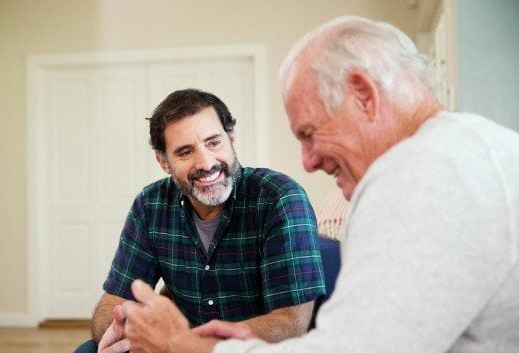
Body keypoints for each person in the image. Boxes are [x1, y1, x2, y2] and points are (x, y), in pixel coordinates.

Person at [119, 15, 519, 353]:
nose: (308, 161)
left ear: (363, 94)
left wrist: (187, 346)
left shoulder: (422, 173)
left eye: (310, 133)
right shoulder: (465, 146)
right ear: (164, 162)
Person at [75, 88, 326, 353]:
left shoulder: (280, 198)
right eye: (185, 152)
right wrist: (121, 328)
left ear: (231, 139)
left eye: (214, 142)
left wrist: (188, 345)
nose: (206, 163)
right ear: (164, 162)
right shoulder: (150, 205)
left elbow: (290, 324)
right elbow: (113, 301)